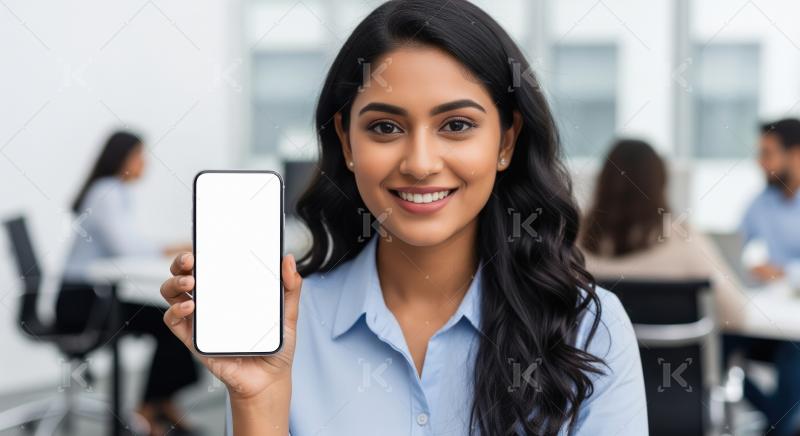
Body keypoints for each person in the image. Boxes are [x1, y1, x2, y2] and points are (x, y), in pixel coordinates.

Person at [159, 1, 647, 435]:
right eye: (385, 127)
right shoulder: (282, 330)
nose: (419, 162)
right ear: (347, 143)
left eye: (456, 125)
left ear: (505, 142)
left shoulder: (587, 330)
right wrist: (257, 400)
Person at [59, 131, 198, 435]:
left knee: (173, 318)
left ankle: (161, 404)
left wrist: (172, 247)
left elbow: (128, 245)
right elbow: (127, 248)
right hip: (81, 302)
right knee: (169, 321)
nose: (144, 164)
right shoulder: (106, 191)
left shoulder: (113, 191)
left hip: (93, 295)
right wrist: (176, 247)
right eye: (139, 156)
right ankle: (148, 408)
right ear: (122, 159)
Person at [580, 139, 748, 330]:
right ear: (661, 184)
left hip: (598, 360)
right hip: (678, 359)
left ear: (603, 182)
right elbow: (737, 316)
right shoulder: (684, 242)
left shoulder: (568, 249)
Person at [741, 118, 800, 281]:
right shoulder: (761, 203)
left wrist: (784, 273)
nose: (759, 162)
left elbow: (780, 273)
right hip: (773, 299)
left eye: (767, 154)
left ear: (796, 155)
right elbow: (734, 246)